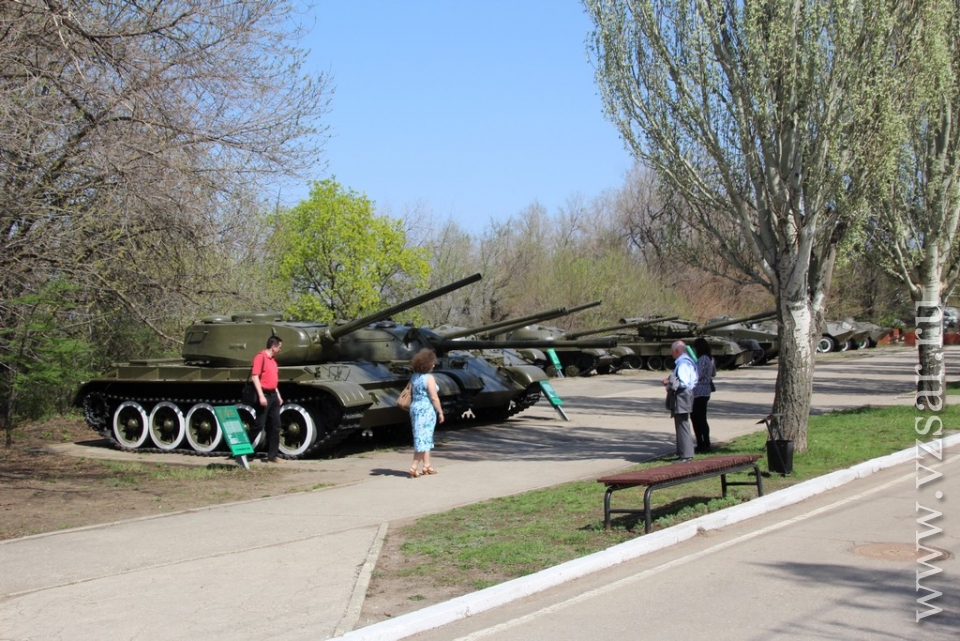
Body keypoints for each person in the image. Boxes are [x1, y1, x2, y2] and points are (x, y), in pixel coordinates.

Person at [407, 348, 445, 478]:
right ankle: (413, 467)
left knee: (425, 437)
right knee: (422, 438)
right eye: (432, 362)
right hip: (426, 409)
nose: (434, 364)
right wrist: (440, 411)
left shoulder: (414, 377)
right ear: (427, 364)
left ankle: (427, 465)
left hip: (415, 407)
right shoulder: (429, 378)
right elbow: (434, 397)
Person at [249, 336, 284, 462]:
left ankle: (272, 456)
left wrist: (278, 395)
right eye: (279, 347)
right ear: (273, 347)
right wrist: (261, 395)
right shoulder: (261, 357)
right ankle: (244, 450)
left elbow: (273, 380)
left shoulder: (273, 361)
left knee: (275, 425)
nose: (280, 349)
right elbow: (255, 377)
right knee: (259, 425)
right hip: (264, 394)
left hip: (273, 395)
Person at [662, 340, 698, 461]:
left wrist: (669, 381)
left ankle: (686, 454)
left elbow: (683, 382)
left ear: (677, 351)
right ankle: (684, 453)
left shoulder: (683, 364)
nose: (672, 354)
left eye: (672, 352)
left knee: (682, 425)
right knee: (682, 425)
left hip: (682, 396)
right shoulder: (687, 361)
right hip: (685, 395)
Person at [691, 337, 717, 453]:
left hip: (698, 391)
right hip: (706, 390)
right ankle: (704, 442)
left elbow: (698, 375)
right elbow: (713, 373)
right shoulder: (711, 359)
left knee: (697, 418)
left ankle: (702, 443)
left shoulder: (702, 359)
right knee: (702, 418)